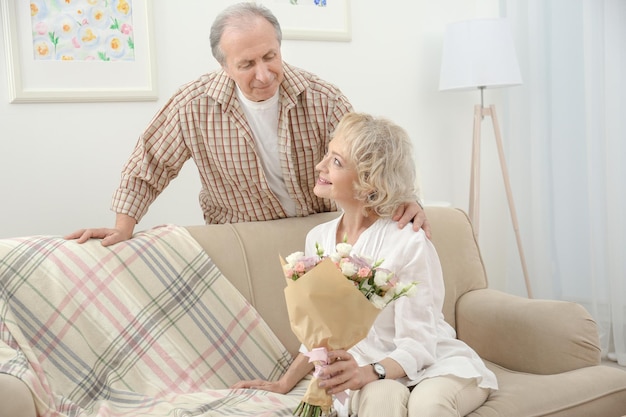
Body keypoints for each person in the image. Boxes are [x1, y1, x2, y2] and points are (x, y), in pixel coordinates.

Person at [65, 2, 429, 246]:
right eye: (247, 64)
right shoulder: (193, 105)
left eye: (270, 56)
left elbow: (368, 158)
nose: (264, 74)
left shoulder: (323, 97)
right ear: (224, 66)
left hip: (319, 232)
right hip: (240, 237)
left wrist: (407, 199)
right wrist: (123, 227)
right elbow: (149, 164)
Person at [232, 112, 497, 417]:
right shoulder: (318, 239)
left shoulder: (408, 241)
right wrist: (283, 384)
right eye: (327, 155)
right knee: (380, 402)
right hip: (368, 371)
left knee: (429, 408)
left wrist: (371, 372)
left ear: (368, 182)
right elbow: (321, 335)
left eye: (336, 162)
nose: (320, 166)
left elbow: (419, 343)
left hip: (433, 364)